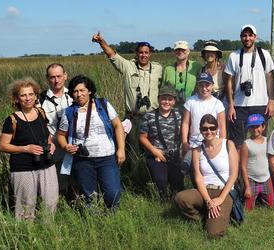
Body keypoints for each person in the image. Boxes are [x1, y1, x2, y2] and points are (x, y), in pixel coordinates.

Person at [92, 32, 162, 192]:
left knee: (153, 151)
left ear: (150, 53)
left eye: (146, 52)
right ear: (136, 54)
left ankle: (154, 183)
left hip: (153, 116)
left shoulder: (158, 69)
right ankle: (134, 185)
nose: (143, 55)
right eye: (140, 52)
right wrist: (101, 41)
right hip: (134, 118)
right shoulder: (128, 66)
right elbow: (112, 55)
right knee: (133, 153)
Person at [57, 75, 126, 209]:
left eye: (82, 90)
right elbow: (60, 134)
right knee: (89, 196)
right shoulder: (69, 112)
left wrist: (121, 149)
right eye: (75, 91)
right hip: (83, 160)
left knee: (113, 193)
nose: (79, 94)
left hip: (107, 157)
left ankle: (112, 218)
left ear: (89, 91)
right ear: (72, 94)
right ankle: (94, 221)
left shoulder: (103, 104)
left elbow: (118, 125)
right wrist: (65, 146)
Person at [0, 77, 58, 220]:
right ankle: (27, 235)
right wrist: (26, 149)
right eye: (23, 95)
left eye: (31, 94)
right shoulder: (12, 119)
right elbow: (3, 146)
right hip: (23, 167)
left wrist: (52, 144)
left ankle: (49, 232)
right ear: (16, 99)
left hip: (47, 164)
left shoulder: (41, 112)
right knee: (26, 205)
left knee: (51, 201)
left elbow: (47, 135)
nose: (27, 98)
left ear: (36, 95)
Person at [175, 114, 238, 238]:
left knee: (213, 234)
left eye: (212, 128)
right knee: (180, 198)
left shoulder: (228, 144)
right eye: (204, 129)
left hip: (223, 191)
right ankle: (201, 216)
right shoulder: (197, 150)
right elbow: (198, 177)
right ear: (200, 130)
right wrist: (208, 200)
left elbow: (234, 174)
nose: (208, 131)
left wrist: (220, 199)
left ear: (217, 128)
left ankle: (218, 217)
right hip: (204, 190)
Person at [225, 24, 274, 148]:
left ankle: (259, 167)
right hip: (239, 106)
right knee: (238, 143)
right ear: (241, 37)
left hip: (260, 105)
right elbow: (228, 81)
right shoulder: (234, 56)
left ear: (255, 37)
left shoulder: (264, 54)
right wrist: (231, 106)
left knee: (260, 142)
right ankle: (238, 167)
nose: (247, 38)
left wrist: (271, 101)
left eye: (250, 35)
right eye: (244, 35)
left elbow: (270, 78)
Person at [139, 85, 183, 198]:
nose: (166, 102)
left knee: (178, 186)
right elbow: (142, 137)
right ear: (158, 99)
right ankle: (161, 200)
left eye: (170, 99)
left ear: (174, 101)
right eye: (163, 98)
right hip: (156, 156)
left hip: (175, 156)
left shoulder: (180, 114)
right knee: (161, 181)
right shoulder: (148, 116)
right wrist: (154, 151)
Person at [40, 63, 75, 200]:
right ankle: (59, 208)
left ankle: (76, 206)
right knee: (57, 183)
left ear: (65, 76)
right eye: (52, 77)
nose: (56, 80)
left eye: (59, 76)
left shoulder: (75, 94)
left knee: (76, 180)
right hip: (54, 147)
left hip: (73, 145)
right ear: (47, 78)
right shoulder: (40, 99)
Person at [181, 73, 226, 175]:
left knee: (210, 172)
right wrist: (184, 142)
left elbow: (222, 127)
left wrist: (222, 144)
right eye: (201, 85)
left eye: (207, 85)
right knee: (196, 173)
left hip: (212, 144)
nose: (204, 88)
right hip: (194, 145)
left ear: (212, 86)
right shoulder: (190, 101)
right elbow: (185, 123)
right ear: (197, 86)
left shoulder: (218, 104)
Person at [240, 114, 274, 211]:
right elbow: (243, 166)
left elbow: (272, 158)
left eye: (257, 126)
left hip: (266, 178)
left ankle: (262, 198)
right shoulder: (246, 144)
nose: (255, 129)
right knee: (248, 208)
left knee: (271, 206)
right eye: (252, 127)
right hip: (251, 179)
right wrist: (247, 187)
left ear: (263, 127)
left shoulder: (268, 141)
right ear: (249, 128)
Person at [162, 40, 202, 110]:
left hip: (192, 106)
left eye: (183, 50)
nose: (180, 52)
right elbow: (163, 90)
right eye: (177, 50)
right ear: (174, 52)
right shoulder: (168, 69)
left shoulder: (196, 66)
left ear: (188, 51)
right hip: (172, 108)